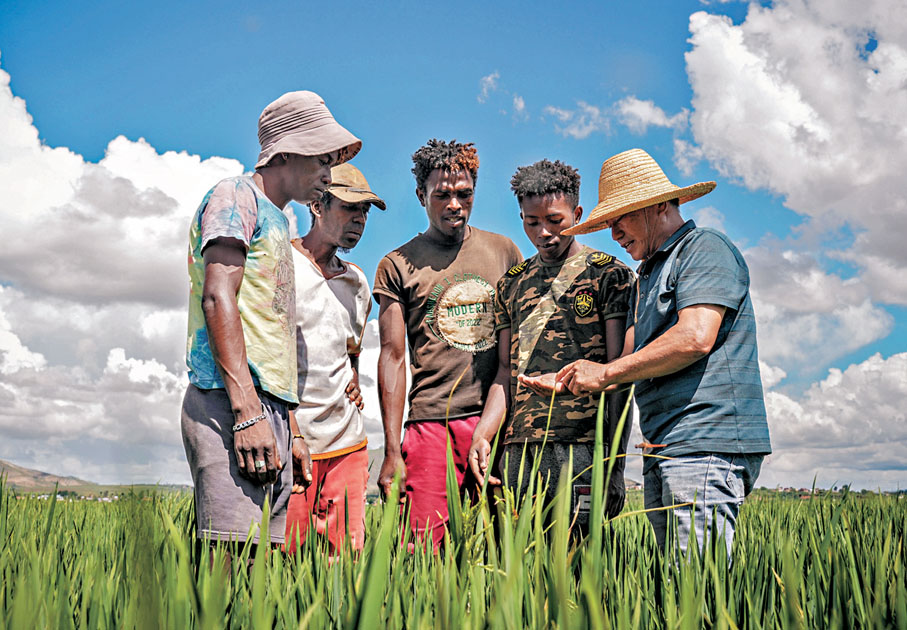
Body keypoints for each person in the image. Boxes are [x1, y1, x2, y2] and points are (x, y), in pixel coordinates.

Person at [521, 148, 771, 556]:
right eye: (608, 224)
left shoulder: (703, 249)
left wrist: (603, 374)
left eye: (621, 218)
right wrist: (570, 378)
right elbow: (621, 364)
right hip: (664, 446)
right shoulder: (648, 275)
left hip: (703, 444)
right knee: (673, 587)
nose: (614, 233)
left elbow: (695, 337)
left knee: (696, 586)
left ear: (657, 206)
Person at [181, 91, 360, 548]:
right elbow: (219, 298)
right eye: (321, 158)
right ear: (285, 150)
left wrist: (288, 428)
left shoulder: (280, 222)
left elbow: (272, 336)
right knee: (231, 560)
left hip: (269, 410)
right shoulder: (235, 195)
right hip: (231, 402)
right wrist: (246, 414)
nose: (328, 173)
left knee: (261, 572)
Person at [467, 159, 633, 534]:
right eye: (531, 222)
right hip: (519, 451)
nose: (544, 233)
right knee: (516, 566)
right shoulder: (511, 284)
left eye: (555, 221)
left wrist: (615, 463)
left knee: (577, 565)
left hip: (582, 449)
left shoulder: (609, 275)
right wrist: (484, 433)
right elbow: (506, 373)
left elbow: (619, 376)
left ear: (577, 213)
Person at [373, 139, 522, 548]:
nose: (454, 204)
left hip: (497, 424)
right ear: (421, 195)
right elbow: (392, 357)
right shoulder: (396, 265)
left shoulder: (504, 252)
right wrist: (391, 449)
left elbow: (518, 353)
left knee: (501, 552)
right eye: (442, 195)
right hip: (430, 425)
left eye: (464, 193)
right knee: (424, 554)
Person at [284, 163, 385, 553]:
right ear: (317, 205)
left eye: (365, 212)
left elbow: (350, 350)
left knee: (343, 565)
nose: (359, 220)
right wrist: (290, 432)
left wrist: (355, 378)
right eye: (349, 208)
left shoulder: (357, 283)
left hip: (347, 441)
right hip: (291, 441)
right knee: (282, 562)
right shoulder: (281, 266)